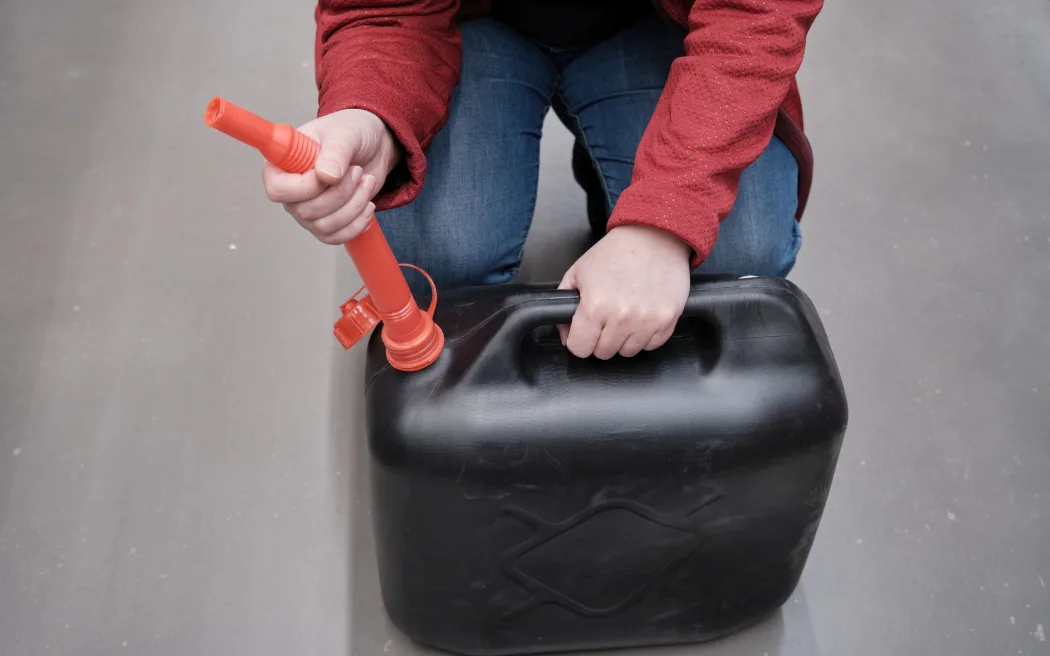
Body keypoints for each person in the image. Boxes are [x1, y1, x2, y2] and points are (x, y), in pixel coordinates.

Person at [262, 0, 821, 360]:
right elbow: (382, 8)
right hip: (470, 22)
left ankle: (619, 193)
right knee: (437, 261)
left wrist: (664, 219)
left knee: (738, 253)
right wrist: (372, 115)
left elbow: (757, 15)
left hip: (659, 21)